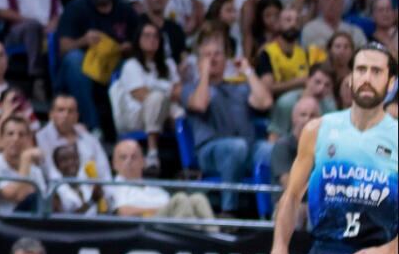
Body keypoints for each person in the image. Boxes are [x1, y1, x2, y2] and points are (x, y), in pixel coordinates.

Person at [269, 47, 397, 254]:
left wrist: (388, 252)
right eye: (361, 70)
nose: (367, 78)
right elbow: (291, 197)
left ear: (391, 83)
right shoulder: (318, 130)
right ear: (349, 78)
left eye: (376, 71)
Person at [183, 35, 274, 214]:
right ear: (200, 62)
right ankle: (228, 209)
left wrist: (248, 72)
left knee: (271, 150)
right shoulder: (190, 88)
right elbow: (200, 104)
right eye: (207, 55)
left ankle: (273, 211)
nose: (213, 58)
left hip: (246, 148)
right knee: (236, 147)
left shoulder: (239, 88)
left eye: (217, 54)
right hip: (210, 153)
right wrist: (204, 74)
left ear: (226, 60)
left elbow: (265, 102)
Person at [55, 0, 137, 129]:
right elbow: (63, 48)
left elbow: (139, 44)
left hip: (112, 66)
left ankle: (128, 128)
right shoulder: (76, 7)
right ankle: (93, 127)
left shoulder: (126, 11)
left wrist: (129, 47)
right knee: (74, 59)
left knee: (133, 65)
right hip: (83, 69)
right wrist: (83, 41)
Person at [110, 22, 179, 170]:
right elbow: (141, 95)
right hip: (136, 116)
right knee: (156, 99)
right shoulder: (131, 65)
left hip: (164, 113)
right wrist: (167, 98)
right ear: (138, 40)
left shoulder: (169, 65)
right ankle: (152, 153)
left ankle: (188, 161)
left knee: (181, 111)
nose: (151, 40)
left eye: (155, 36)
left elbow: (179, 91)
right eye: (147, 36)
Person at [107, 139, 214, 219]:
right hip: (145, 226)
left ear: (143, 162)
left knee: (198, 199)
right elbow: (123, 212)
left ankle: (214, 238)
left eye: (134, 157)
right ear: (114, 164)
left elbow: (169, 204)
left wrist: (168, 208)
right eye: (123, 157)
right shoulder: (113, 187)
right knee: (180, 199)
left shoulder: (153, 188)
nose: (129, 161)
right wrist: (161, 209)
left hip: (167, 218)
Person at [36, 94, 113, 183]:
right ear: (51, 114)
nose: (66, 115)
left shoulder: (90, 140)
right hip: (57, 189)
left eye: (70, 111)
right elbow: (49, 173)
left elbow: (105, 173)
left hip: (93, 189)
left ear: (77, 116)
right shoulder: (40, 139)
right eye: (61, 110)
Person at [0, 115, 48, 213]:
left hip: (27, 221)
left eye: (21, 135)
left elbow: (42, 202)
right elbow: (17, 196)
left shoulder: (35, 171)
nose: (15, 139)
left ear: (29, 140)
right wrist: (25, 160)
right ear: (1, 140)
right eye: (10, 134)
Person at [268, 92, 322, 183]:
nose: (307, 119)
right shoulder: (282, 146)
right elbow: (288, 184)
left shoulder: (323, 146)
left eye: (312, 116)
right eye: (303, 115)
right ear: (294, 118)